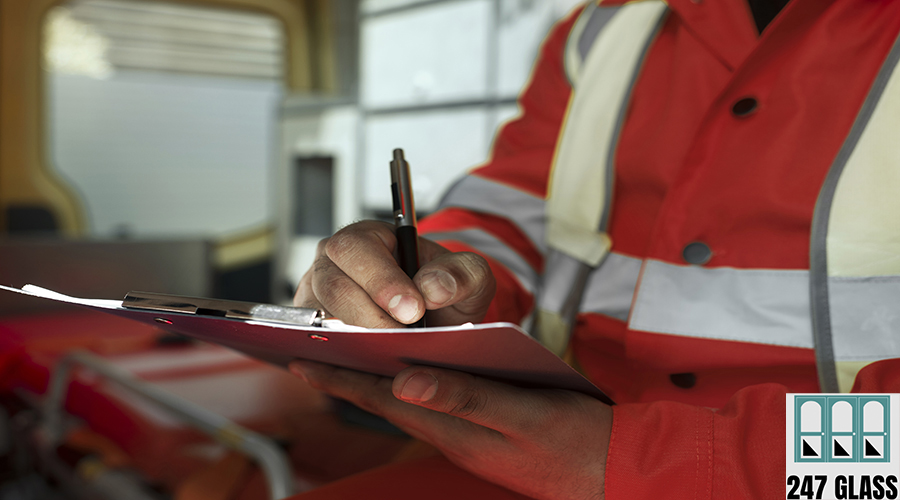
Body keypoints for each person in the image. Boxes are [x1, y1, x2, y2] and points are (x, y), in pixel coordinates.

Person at [290, 0, 900, 498]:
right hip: (552, 455)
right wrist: (435, 277)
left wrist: (646, 460)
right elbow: (514, 213)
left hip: (828, 481)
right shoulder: (601, 30)